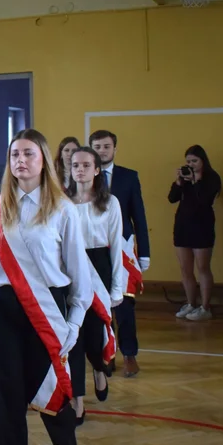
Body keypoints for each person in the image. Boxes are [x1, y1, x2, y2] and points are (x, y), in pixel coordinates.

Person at [0, 129, 91, 445]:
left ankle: (64, 431)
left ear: (43, 160)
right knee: (5, 402)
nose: (20, 161)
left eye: (28, 154)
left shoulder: (63, 210)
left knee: (50, 385)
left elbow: (79, 274)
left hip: (48, 308)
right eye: (14, 155)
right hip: (5, 308)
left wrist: (73, 324)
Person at [68, 147, 123, 419]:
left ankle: (99, 368)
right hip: (72, 270)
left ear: (97, 169)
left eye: (86, 165)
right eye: (75, 165)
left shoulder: (110, 203)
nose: (80, 169)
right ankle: (78, 399)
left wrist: (116, 288)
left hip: (100, 267)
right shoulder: (62, 203)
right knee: (73, 336)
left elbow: (116, 249)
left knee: (94, 331)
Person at [89, 129, 148, 377]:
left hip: (123, 248)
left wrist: (144, 252)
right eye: (97, 147)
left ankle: (130, 355)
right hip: (95, 249)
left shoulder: (128, 177)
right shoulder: (83, 176)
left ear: (115, 148)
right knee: (100, 307)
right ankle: (106, 356)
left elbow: (139, 216)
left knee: (124, 306)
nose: (102, 150)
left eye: (106, 146)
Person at [169, 145, 222, 321]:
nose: (191, 164)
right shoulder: (185, 178)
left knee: (203, 268)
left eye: (194, 161)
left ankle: (205, 307)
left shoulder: (211, 178)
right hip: (183, 226)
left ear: (203, 161)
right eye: (188, 161)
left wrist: (196, 181)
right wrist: (179, 182)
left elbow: (205, 201)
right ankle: (191, 303)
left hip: (202, 226)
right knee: (185, 269)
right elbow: (172, 198)